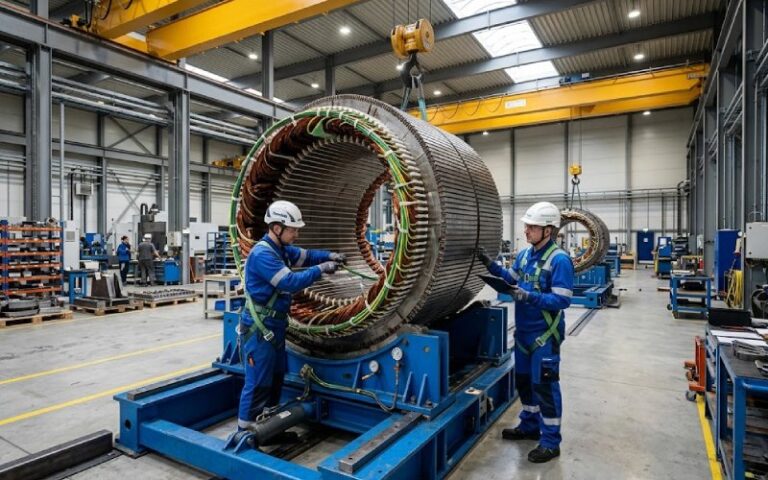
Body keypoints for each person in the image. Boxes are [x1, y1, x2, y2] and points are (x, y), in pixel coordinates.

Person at [237, 200, 345, 436]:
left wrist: (330, 255)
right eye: (293, 229)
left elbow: (306, 256)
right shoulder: (263, 254)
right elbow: (290, 282)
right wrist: (322, 268)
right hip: (260, 328)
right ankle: (244, 433)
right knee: (258, 382)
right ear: (277, 228)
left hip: (275, 327)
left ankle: (267, 427)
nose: (297, 233)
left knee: (275, 378)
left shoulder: (282, 250)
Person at [477, 201, 574, 463]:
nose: (526, 231)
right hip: (524, 336)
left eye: (532, 227)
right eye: (527, 226)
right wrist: (490, 265)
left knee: (545, 387)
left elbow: (562, 300)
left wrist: (529, 296)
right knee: (524, 382)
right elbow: (509, 278)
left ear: (548, 231)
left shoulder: (560, 260)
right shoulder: (523, 255)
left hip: (545, 336)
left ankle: (551, 442)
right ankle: (530, 426)